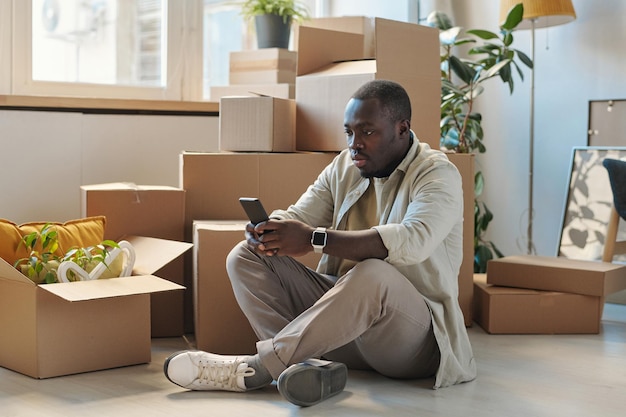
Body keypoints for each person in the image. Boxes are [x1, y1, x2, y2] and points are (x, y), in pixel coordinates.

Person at [164, 79, 477, 406]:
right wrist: (272, 230)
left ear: (401, 128)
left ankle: (259, 368)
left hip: (410, 340)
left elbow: (414, 240)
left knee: (374, 274)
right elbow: (301, 214)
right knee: (245, 255)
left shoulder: (437, 174)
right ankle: (303, 369)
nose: (355, 144)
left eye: (367, 132)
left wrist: (315, 239)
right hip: (341, 327)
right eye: (349, 132)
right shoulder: (346, 165)